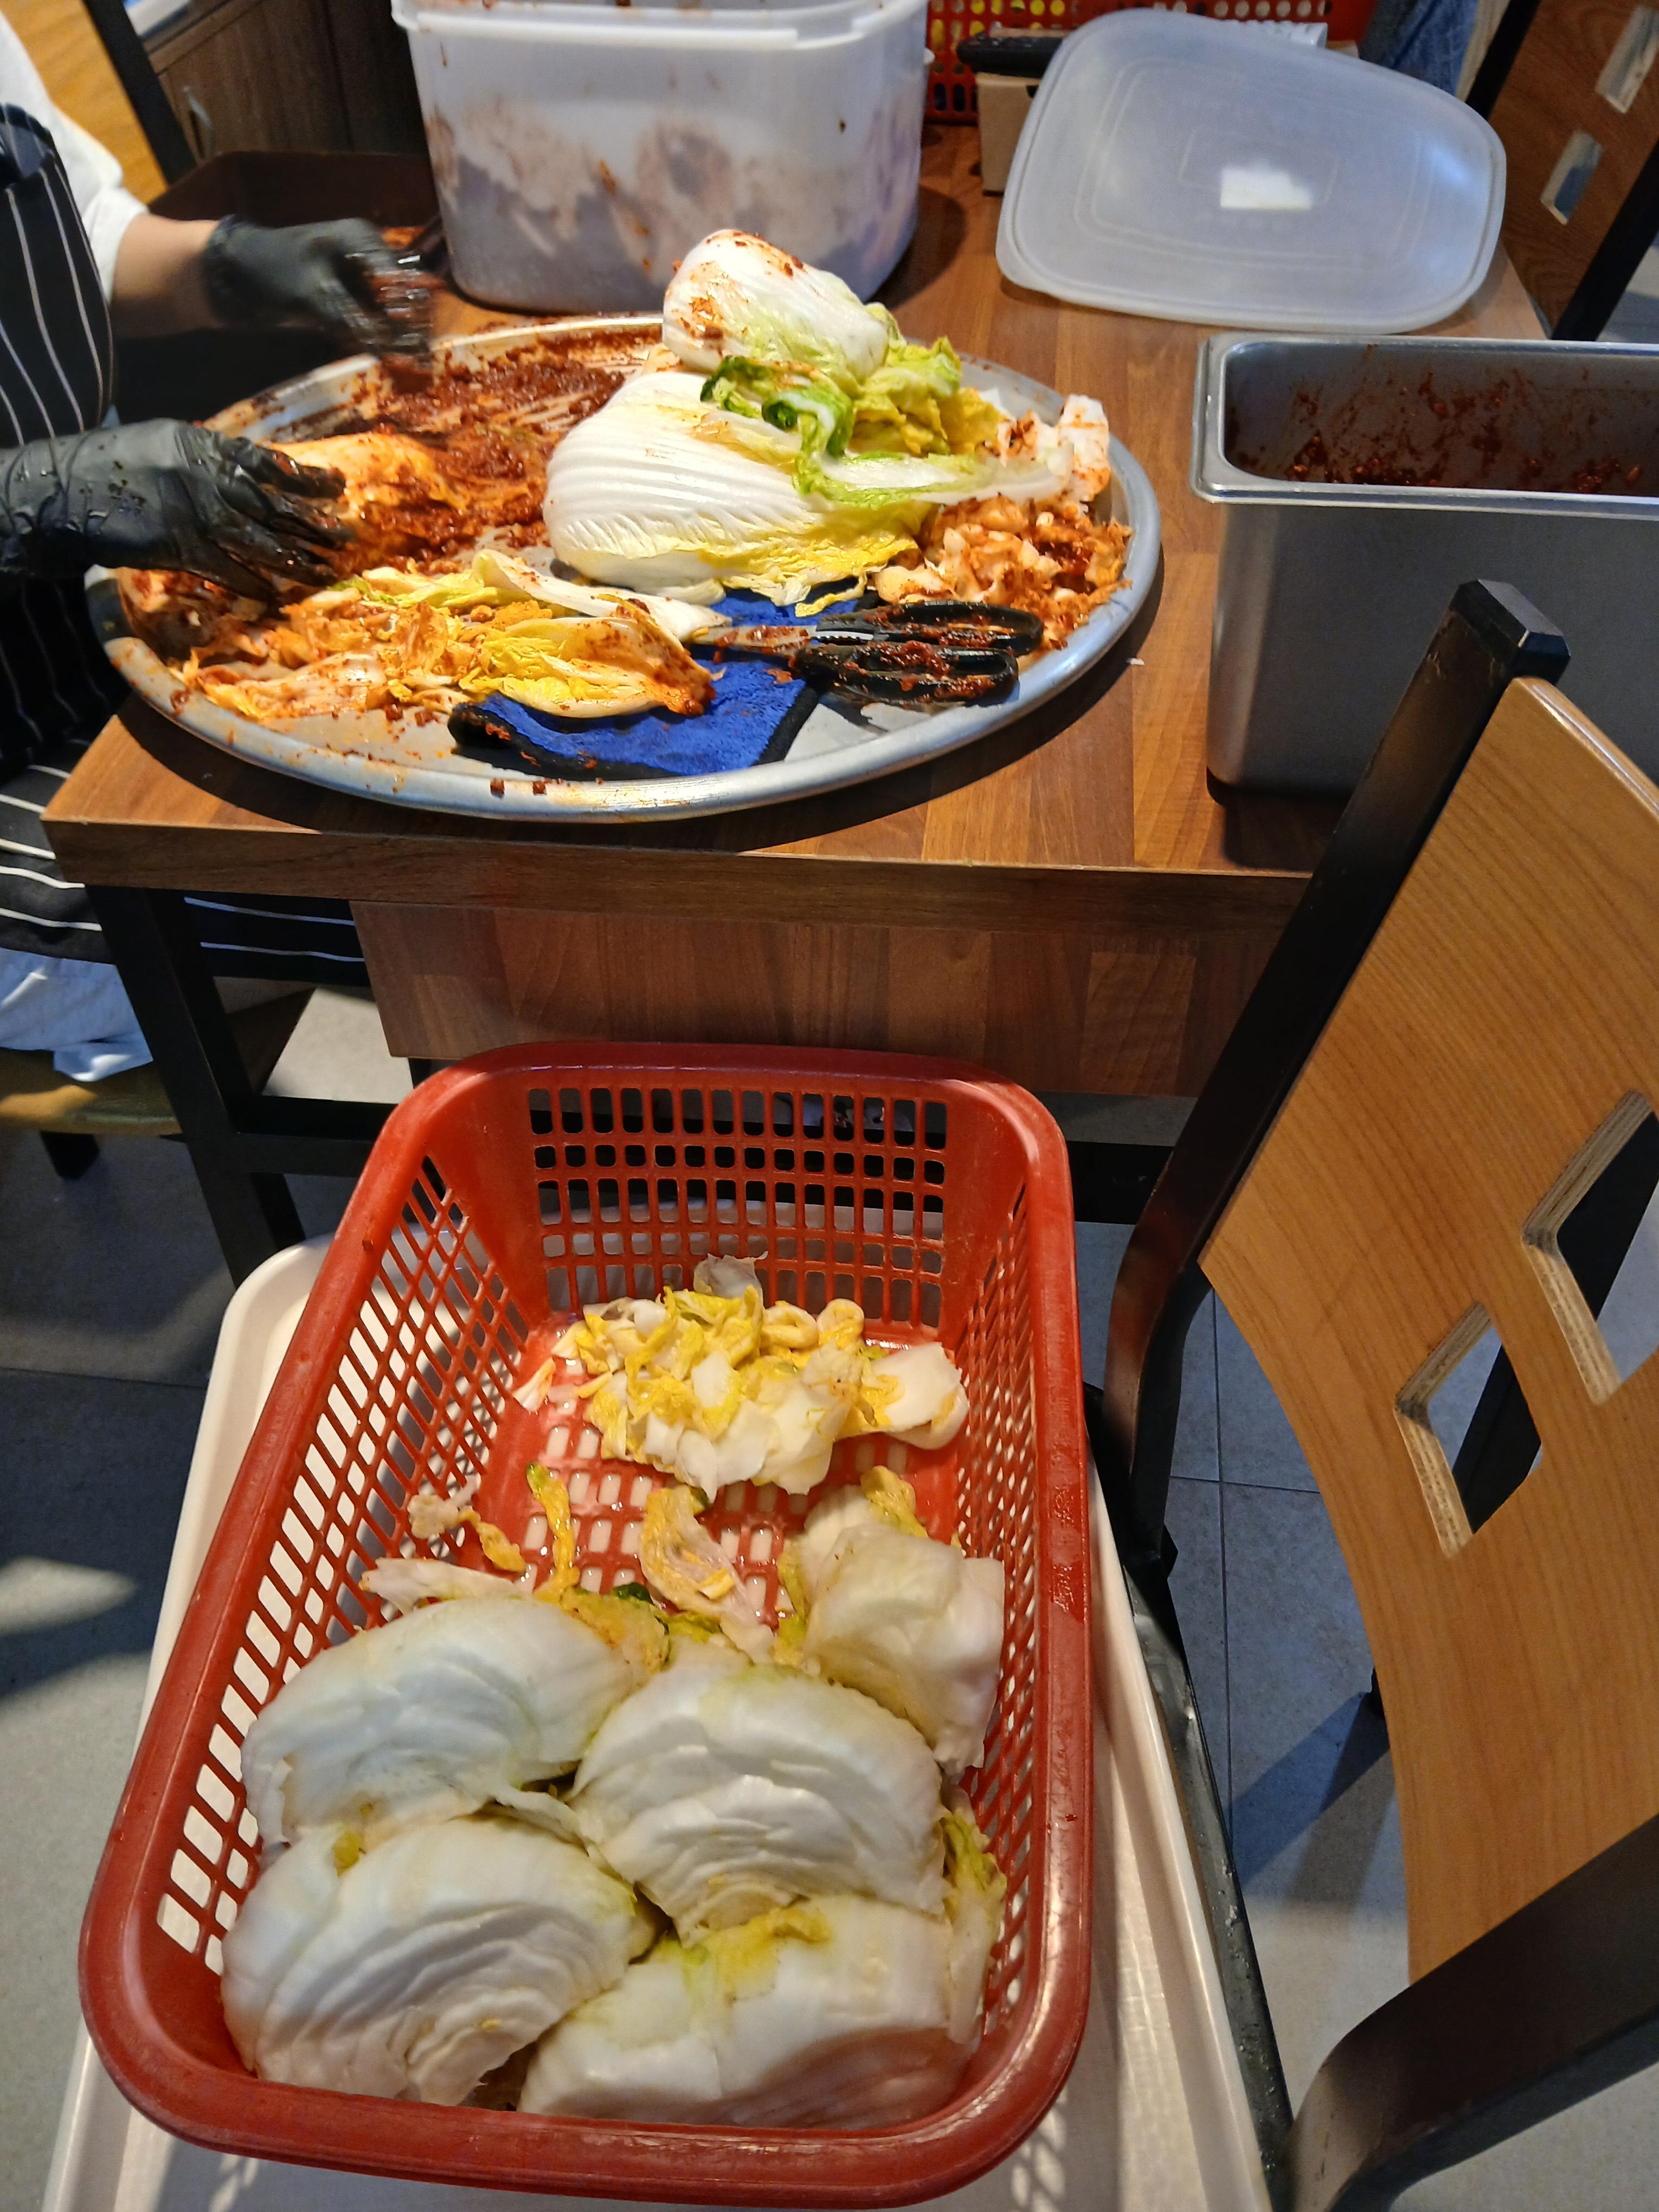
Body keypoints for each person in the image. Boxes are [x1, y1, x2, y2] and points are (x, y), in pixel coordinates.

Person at [0, 15, 430, 1079]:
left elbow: (82, 234)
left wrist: (234, 265)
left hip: (109, 619)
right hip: (15, 782)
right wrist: (32, 496)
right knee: (454, 900)